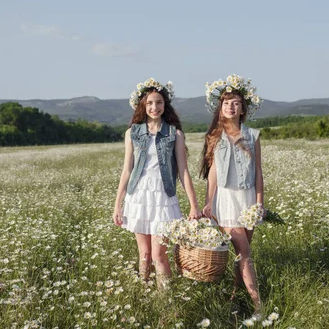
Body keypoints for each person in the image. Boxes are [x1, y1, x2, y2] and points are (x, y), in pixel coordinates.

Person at [113, 78, 202, 289]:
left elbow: (183, 172)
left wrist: (194, 204)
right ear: (143, 105)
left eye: (159, 102)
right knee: (144, 254)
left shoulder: (175, 134)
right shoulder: (132, 133)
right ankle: (144, 296)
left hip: (164, 197)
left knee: (159, 255)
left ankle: (167, 302)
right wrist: (117, 204)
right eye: (150, 103)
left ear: (165, 105)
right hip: (138, 196)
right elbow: (127, 170)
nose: (154, 107)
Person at [199, 74, 265, 318]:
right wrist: (208, 202)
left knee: (241, 254)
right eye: (227, 102)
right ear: (221, 107)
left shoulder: (253, 135)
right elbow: (213, 173)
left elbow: (259, 172)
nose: (231, 106)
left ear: (243, 108)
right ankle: (259, 306)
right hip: (226, 200)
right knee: (244, 252)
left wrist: (259, 203)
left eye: (236, 102)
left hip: (248, 199)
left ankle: (234, 297)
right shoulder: (215, 137)